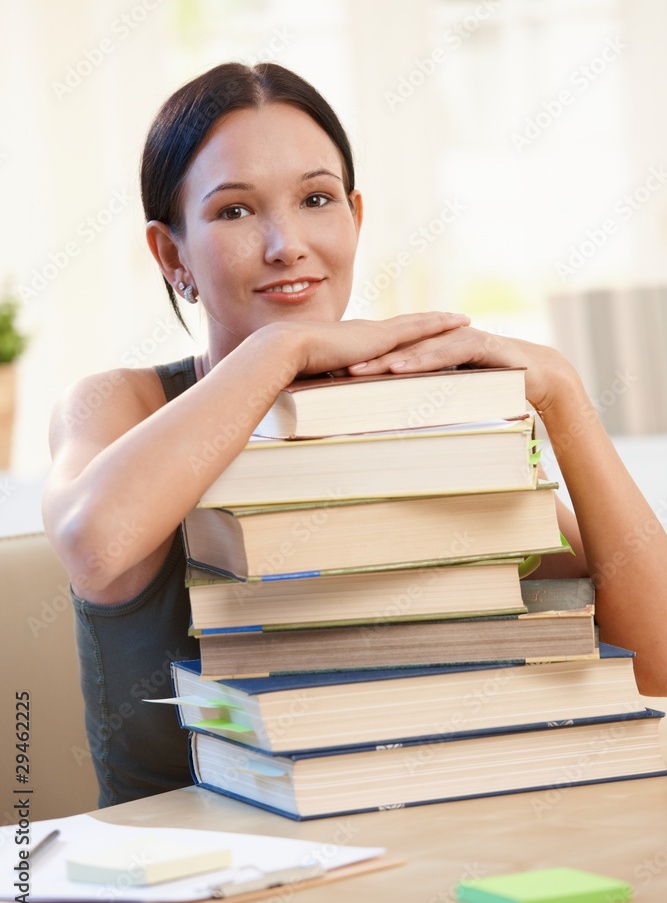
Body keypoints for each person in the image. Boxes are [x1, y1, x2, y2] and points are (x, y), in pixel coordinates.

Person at [43, 62, 667, 808]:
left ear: (355, 217)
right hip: (189, 877)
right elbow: (96, 543)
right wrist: (281, 352)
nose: (287, 244)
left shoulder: (413, 417)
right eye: (234, 212)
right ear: (171, 255)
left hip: (411, 852)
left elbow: (655, 665)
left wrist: (563, 398)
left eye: (316, 199)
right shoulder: (118, 405)